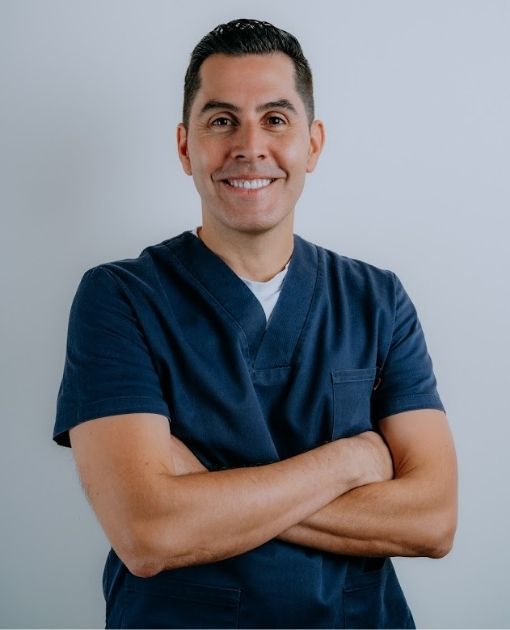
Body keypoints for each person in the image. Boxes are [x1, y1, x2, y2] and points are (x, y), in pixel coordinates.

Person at [53, 18, 458, 629]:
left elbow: (433, 521)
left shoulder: (378, 300)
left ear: (312, 144)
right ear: (185, 146)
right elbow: (148, 531)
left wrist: (205, 491)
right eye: (221, 121)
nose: (249, 145)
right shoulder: (120, 299)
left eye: (275, 119)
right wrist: (349, 463)